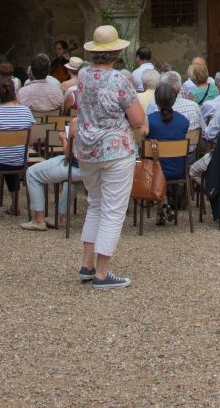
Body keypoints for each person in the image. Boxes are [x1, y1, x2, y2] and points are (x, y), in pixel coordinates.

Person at [73, 24, 145, 289]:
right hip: (115, 149)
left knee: (95, 204)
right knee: (113, 210)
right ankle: (102, 273)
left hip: (87, 148)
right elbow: (137, 119)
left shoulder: (83, 76)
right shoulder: (119, 79)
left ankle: (87, 264)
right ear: (116, 53)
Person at [0, 76, 36, 214]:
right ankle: (15, 204)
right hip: (18, 161)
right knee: (11, 155)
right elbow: (31, 141)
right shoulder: (26, 111)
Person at [144, 79, 192, 225]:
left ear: (156, 100)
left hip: (153, 172)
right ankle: (163, 208)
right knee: (160, 165)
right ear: (174, 99)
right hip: (178, 170)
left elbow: (142, 144)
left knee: (155, 163)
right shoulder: (184, 121)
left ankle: (163, 207)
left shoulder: (149, 120)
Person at [21, 113, 77, 232]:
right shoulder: (112, 123)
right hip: (98, 170)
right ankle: (58, 218)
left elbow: (68, 154)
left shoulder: (77, 122)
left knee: (31, 172)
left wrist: (63, 139)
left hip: (75, 167)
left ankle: (39, 220)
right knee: (72, 181)